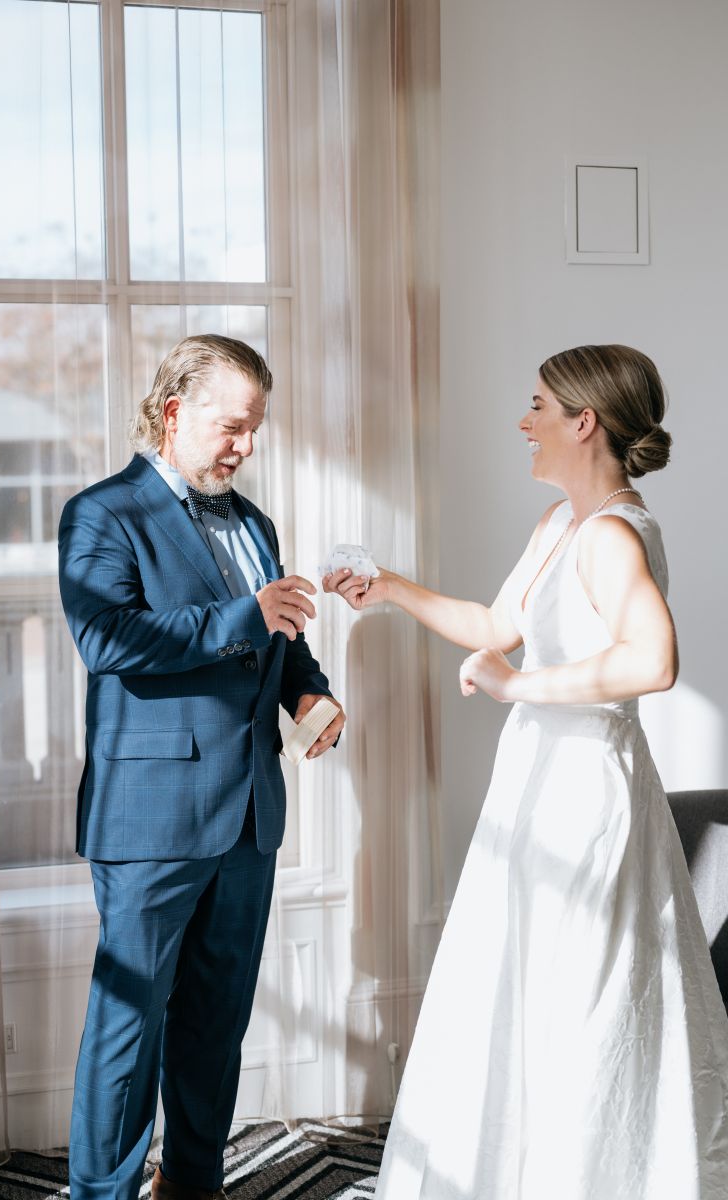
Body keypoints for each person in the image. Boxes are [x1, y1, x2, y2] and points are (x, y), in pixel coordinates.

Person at [324, 344, 728, 1200]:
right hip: (539, 787)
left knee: (583, 997)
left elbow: (652, 661)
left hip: (589, 797)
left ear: (585, 423)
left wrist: (519, 687)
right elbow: (495, 623)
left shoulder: (615, 532)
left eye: (537, 405)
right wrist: (389, 586)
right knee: (520, 985)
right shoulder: (561, 526)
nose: (523, 421)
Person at [59, 334, 345, 1200]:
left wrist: (310, 695)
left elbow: (278, 635)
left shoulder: (254, 523)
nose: (247, 446)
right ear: (175, 412)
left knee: (216, 1025)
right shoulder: (102, 513)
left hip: (249, 812)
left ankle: (192, 1185)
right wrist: (242, 617)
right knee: (128, 1025)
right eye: (232, 427)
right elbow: (107, 640)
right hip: (149, 816)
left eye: (257, 428)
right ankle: (100, 1193)